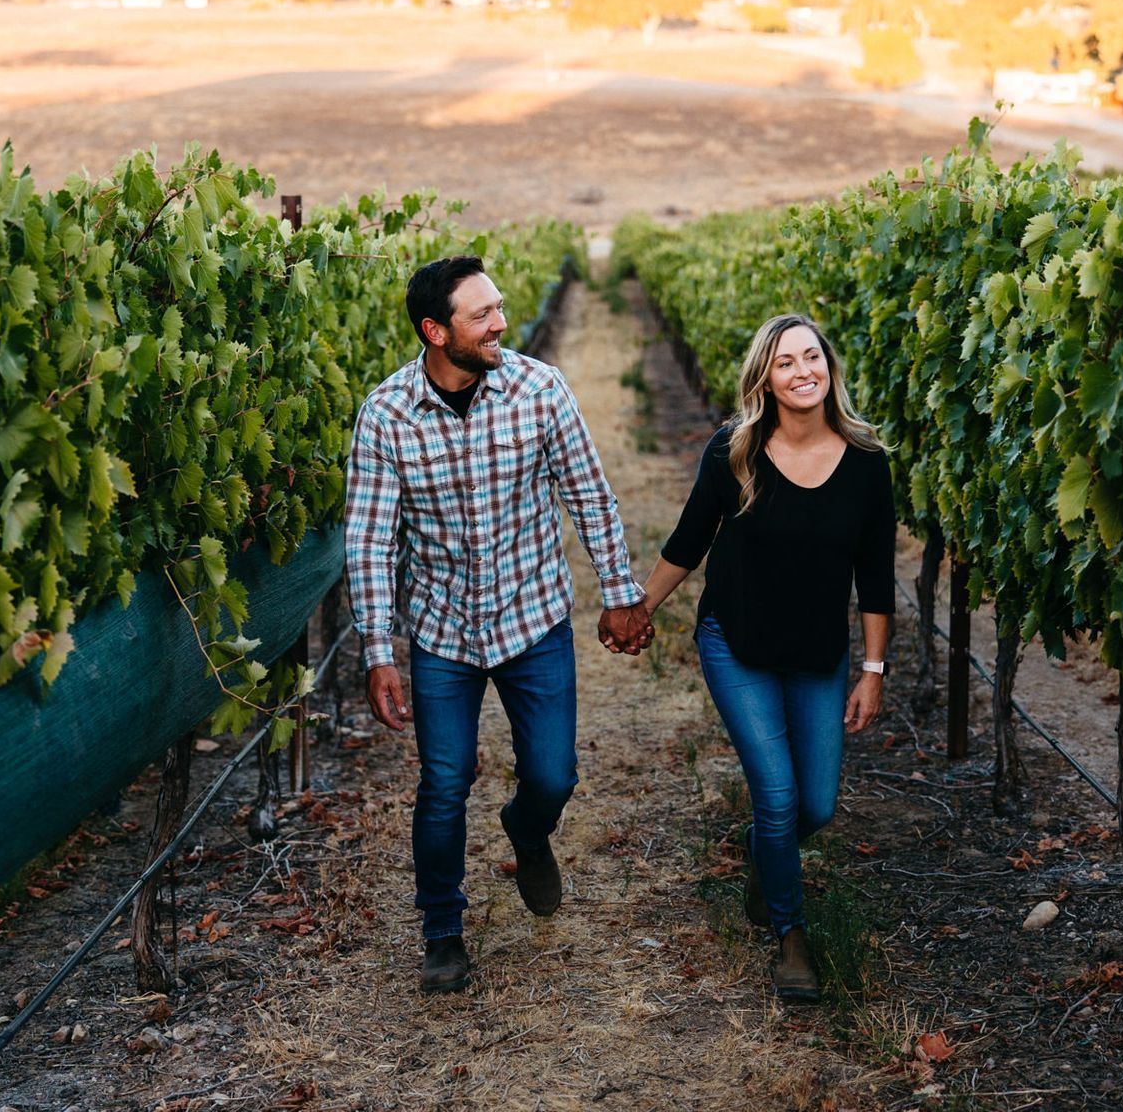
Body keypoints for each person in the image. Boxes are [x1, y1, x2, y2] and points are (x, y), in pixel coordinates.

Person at [345, 255, 653, 994]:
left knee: (554, 775)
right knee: (443, 782)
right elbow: (369, 539)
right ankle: (443, 932)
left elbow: (588, 494)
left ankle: (526, 827)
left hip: (532, 618)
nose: (500, 324)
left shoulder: (538, 389)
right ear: (434, 330)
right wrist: (379, 651)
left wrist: (619, 592)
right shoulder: (386, 414)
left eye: (500, 309)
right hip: (444, 631)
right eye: (481, 315)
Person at [637, 313, 894, 1000]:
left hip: (817, 655)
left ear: (829, 368)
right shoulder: (736, 451)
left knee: (816, 805)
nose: (803, 370)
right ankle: (791, 938)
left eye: (813, 356)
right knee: (777, 798)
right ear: (766, 378)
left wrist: (872, 672)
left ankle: (766, 859)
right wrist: (640, 610)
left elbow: (876, 576)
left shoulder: (867, 463)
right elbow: (689, 541)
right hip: (738, 643)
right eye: (786, 362)